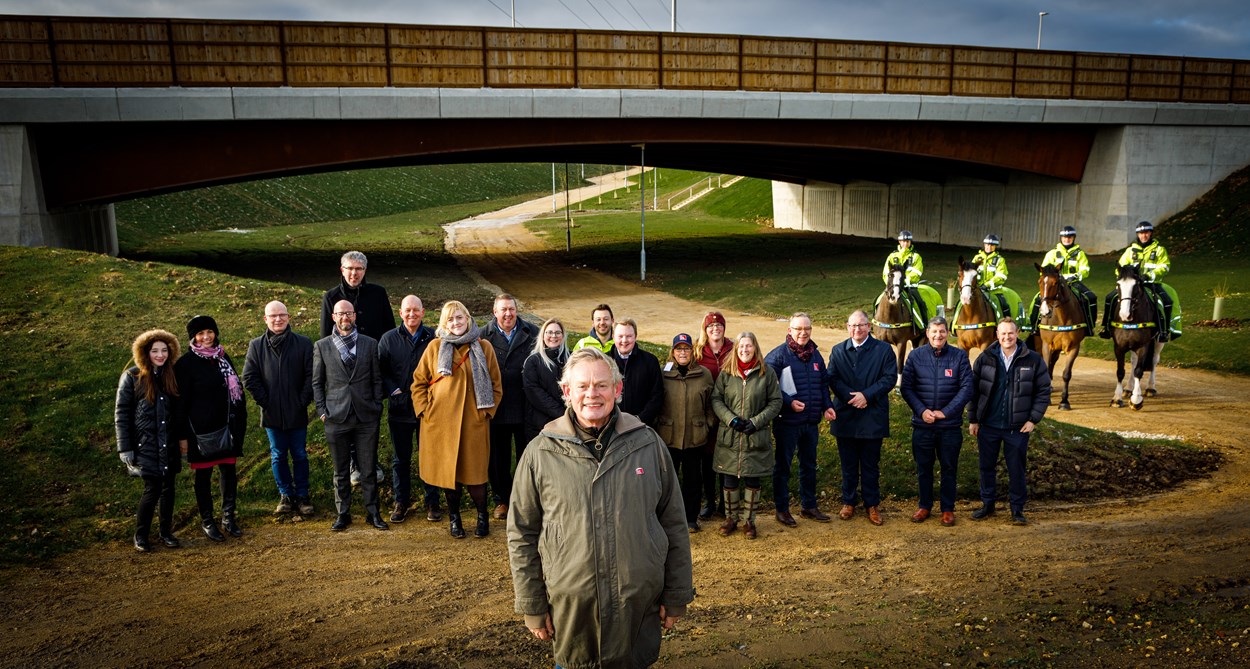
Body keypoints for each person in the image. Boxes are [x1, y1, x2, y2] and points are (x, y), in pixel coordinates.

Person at [508, 347, 694, 669]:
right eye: (582, 386)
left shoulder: (648, 445)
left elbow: (674, 522)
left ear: (618, 390)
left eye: (602, 385)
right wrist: (532, 603)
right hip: (571, 612)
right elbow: (522, 533)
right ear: (567, 392)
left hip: (636, 608)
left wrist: (676, 593)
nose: (592, 394)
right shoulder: (540, 452)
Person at [411, 300, 503, 539]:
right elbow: (419, 382)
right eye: (450, 319)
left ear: (468, 319)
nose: (456, 323)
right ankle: (455, 519)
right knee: (449, 476)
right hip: (441, 424)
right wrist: (424, 411)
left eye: (459, 318)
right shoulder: (434, 347)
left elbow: (496, 386)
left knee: (476, 477)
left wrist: (486, 413)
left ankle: (482, 517)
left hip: (473, 423)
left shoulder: (484, 347)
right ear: (444, 323)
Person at [313, 299, 389, 532]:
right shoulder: (322, 345)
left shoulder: (369, 343)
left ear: (355, 316)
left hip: (366, 416)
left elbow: (377, 378)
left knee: (367, 469)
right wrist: (322, 412)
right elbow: (317, 382)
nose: (345, 318)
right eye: (340, 314)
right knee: (341, 469)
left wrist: (376, 406)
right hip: (336, 416)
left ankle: (373, 512)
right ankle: (342, 513)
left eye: (349, 313)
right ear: (334, 317)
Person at [320, 250, 394, 486]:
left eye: (359, 269)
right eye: (350, 269)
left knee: (370, 418)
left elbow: (388, 331)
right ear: (342, 270)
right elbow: (325, 338)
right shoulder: (330, 297)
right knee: (347, 416)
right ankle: (353, 463)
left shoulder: (378, 293)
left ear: (365, 271)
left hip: (372, 368)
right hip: (343, 371)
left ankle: (370, 462)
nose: (354, 273)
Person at [969, 318, 1052, 525]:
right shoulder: (985, 358)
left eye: (1011, 333)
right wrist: (973, 419)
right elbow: (974, 391)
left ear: (1018, 334)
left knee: (1016, 469)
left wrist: (1033, 419)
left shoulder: (1032, 359)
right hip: (988, 424)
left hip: (1017, 427)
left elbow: (1043, 391)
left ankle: (1017, 509)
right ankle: (987, 505)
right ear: (997, 334)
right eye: (1003, 333)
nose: (1007, 337)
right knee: (986, 467)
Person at [175, 315, 248, 542]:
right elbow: (180, 404)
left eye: (209, 332)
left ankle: (228, 517)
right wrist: (183, 436)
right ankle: (208, 520)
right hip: (201, 432)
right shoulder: (185, 365)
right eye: (200, 333)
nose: (206, 337)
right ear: (193, 337)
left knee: (228, 473)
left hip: (228, 428)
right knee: (204, 476)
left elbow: (236, 391)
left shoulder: (223, 358)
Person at [242, 300, 315, 517]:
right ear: (265, 319)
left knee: (300, 454)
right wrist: (266, 402)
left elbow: (312, 376)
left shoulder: (303, 343)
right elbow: (249, 377)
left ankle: (302, 495)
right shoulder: (256, 345)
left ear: (288, 317)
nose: (278, 319)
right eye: (273, 316)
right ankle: (285, 495)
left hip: (297, 412)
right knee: (278, 455)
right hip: (272, 414)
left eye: (282, 315)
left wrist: (302, 401)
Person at [900, 317, 973, 527]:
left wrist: (946, 412)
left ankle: (948, 509)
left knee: (949, 467)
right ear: (927, 332)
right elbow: (907, 388)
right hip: (923, 425)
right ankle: (924, 506)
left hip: (949, 427)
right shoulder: (915, 356)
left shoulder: (959, 356)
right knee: (924, 467)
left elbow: (967, 388)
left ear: (948, 332)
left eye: (942, 331)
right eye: (934, 331)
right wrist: (922, 411)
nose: (938, 335)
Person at [765, 312, 836, 526]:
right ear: (790, 330)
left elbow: (823, 384)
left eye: (806, 329)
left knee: (809, 465)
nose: (803, 333)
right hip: (787, 422)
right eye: (798, 329)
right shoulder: (778, 356)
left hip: (811, 421)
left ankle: (809, 505)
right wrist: (788, 402)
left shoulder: (815, 355)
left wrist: (828, 406)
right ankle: (782, 509)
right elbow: (769, 388)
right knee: (783, 466)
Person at [115, 329, 183, 552]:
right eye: (155, 351)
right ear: (146, 352)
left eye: (164, 350)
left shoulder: (171, 376)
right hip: (146, 445)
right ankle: (141, 535)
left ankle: (166, 532)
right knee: (151, 489)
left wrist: (182, 440)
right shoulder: (132, 377)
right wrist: (125, 448)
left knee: (168, 489)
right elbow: (122, 414)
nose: (160, 355)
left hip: (169, 444)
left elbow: (179, 412)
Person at [827, 309, 897, 526]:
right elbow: (833, 378)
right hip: (846, 414)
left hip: (872, 415)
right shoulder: (838, 350)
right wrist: (852, 398)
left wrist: (867, 395)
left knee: (870, 464)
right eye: (853, 325)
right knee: (847, 463)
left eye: (861, 325)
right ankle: (848, 502)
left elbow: (889, 378)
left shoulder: (884, 350)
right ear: (848, 327)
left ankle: (871, 504)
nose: (857, 329)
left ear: (869, 327)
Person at [711, 332, 782, 540]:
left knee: (753, 477)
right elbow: (716, 399)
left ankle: (749, 521)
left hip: (755, 435)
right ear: (736, 349)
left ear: (755, 348)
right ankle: (730, 518)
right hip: (730, 436)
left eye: (748, 346)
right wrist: (730, 419)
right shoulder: (726, 373)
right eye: (741, 346)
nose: (744, 350)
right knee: (729, 477)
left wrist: (756, 421)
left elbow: (776, 402)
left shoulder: (766, 373)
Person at [378, 295, 440, 523]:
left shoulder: (434, 337)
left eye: (416, 310)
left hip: (428, 409)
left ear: (423, 312)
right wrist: (393, 390)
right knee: (400, 458)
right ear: (400, 313)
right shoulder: (388, 339)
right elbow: (382, 371)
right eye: (407, 310)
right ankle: (401, 501)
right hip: (400, 408)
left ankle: (432, 501)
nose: (412, 314)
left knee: (429, 456)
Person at [481, 293, 537, 521]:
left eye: (511, 309)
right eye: (503, 310)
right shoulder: (484, 335)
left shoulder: (532, 333)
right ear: (495, 312)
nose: (507, 314)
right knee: (498, 459)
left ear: (517, 310)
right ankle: (502, 499)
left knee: (527, 456)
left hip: (525, 404)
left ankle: (526, 500)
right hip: (497, 406)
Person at [657, 333, 715, 532]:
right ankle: (668, 518)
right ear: (673, 352)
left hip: (694, 436)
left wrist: (707, 423)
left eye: (686, 348)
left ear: (692, 351)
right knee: (668, 481)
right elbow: (657, 401)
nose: (683, 352)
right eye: (679, 349)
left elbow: (711, 403)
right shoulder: (663, 374)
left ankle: (691, 518)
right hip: (669, 436)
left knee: (693, 480)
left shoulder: (703, 374)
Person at [1100, 221, 1181, 341]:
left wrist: (1149, 275)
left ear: (1151, 233)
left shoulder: (1159, 250)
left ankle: (1164, 331)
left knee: (1167, 301)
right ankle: (1106, 328)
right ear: (1138, 235)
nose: (1144, 236)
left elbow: (1165, 267)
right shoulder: (1130, 251)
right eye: (1141, 233)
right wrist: (1125, 277)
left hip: (1152, 284)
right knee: (1110, 298)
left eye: (1146, 233)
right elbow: (1120, 268)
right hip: (1132, 285)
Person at [694, 311, 731, 520]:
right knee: (706, 460)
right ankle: (709, 501)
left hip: (728, 411)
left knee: (726, 458)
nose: (715, 329)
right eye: (710, 326)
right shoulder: (698, 352)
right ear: (705, 329)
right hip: (705, 412)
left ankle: (726, 504)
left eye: (719, 326)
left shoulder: (732, 349)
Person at [1030, 226, 1098, 336]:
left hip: (1073, 282)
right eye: (1064, 237)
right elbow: (1044, 271)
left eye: (1069, 237)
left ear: (1074, 238)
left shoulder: (1080, 254)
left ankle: (1089, 327)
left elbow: (1085, 269)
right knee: (1038, 300)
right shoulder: (1052, 253)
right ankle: (1034, 327)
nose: (1067, 239)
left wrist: (1076, 275)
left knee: (1090, 298)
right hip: (1055, 284)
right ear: (1061, 238)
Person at [521, 317, 569, 445]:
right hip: (539, 424)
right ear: (543, 336)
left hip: (566, 424)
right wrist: (560, 413)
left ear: (563, 336)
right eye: (549, 332)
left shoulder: (571, 359)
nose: (553, 336)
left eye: (558, 332)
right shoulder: (533, 361)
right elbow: (534, 392)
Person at [609, 318, 665, 426]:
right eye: (620, 336)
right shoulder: (604, 361)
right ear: (613, 337)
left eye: (629, 336)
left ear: (635, 336)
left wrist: (640, 419)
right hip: (611, 425)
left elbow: (657, 395)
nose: (624, 340)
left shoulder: (650, 361)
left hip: (643, 425)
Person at [972, 233, 1015, 320]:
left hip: (994, 291)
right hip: (977, 290)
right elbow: (971, 273)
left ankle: (1006, 323)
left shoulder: (1000, 260)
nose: (989, 247)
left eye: (992, 245)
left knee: (1004, 305)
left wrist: (987, 285)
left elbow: (1001, 276)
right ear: (984, 245)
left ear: (995, 247)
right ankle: (953, 325)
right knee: (961, 303)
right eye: (987, 244)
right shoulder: (977, 258)